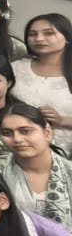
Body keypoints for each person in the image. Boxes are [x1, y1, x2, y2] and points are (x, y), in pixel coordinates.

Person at [0, 102, 72, 230]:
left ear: (47, 133)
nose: (17, 139)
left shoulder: (69, 171)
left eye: (25, 131)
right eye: (7, 133)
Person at [13, 13, 72, 154]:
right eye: (32, 34)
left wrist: (62, 120)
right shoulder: (16, 68)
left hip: (64, 151)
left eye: (49, 33)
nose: (39, 39)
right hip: (16, 145)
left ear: (67, 38)